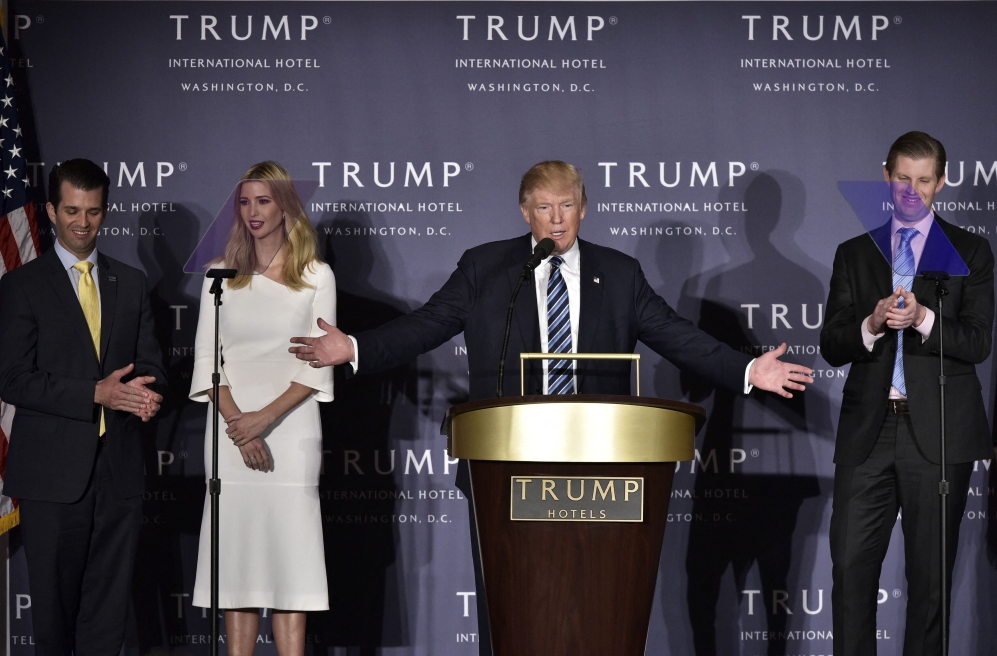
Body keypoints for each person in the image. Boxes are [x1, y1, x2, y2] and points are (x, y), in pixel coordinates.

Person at [288, 160, 814, 653]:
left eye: (566, 206)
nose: (556, 219)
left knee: (596, 603)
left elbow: (678, 337)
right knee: (515, 608)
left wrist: (748, 370)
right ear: (525, 212)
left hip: (603, 467)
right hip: (505, 464)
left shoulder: (620, 273)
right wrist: (354, 347)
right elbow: (426, 325)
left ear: (584, 208)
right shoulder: (486, 267)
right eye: (544, 207)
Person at [821, 131, 995, 655]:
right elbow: (832, 344)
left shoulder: (970, 251)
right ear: (886, 176)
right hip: (868, 435)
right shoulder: (855, 253)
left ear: (940, 182)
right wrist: (871, 324)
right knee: (850, 569)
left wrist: (923, 318)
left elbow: (978, 342)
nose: (912, 191)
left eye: (924, 181)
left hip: (939, 433)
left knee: (929, 582)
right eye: (903, 179)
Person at [0, 159, 165, 655]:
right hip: (51, 476)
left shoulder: (131, 282)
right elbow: (14, 380)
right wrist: (95, 393)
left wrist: (147, 395)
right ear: (51, 211)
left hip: (119, 472)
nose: (82, 222)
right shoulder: (23, 284)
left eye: (92, 211)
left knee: (108, 617)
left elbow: (152, 364)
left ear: (105, 212)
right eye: (72, 210)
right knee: (54, 617)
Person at [188, 161, 334, 655]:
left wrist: (263, 421)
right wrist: (240, 426)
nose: (253, 211)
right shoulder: (219, 276)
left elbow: (318, 363)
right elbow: (207, 361)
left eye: (264, 200)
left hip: (291, 433)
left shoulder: (316, 275)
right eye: (245, 201)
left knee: (291, 563)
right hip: (230, 435)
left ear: (286, 206)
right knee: (238, 563)